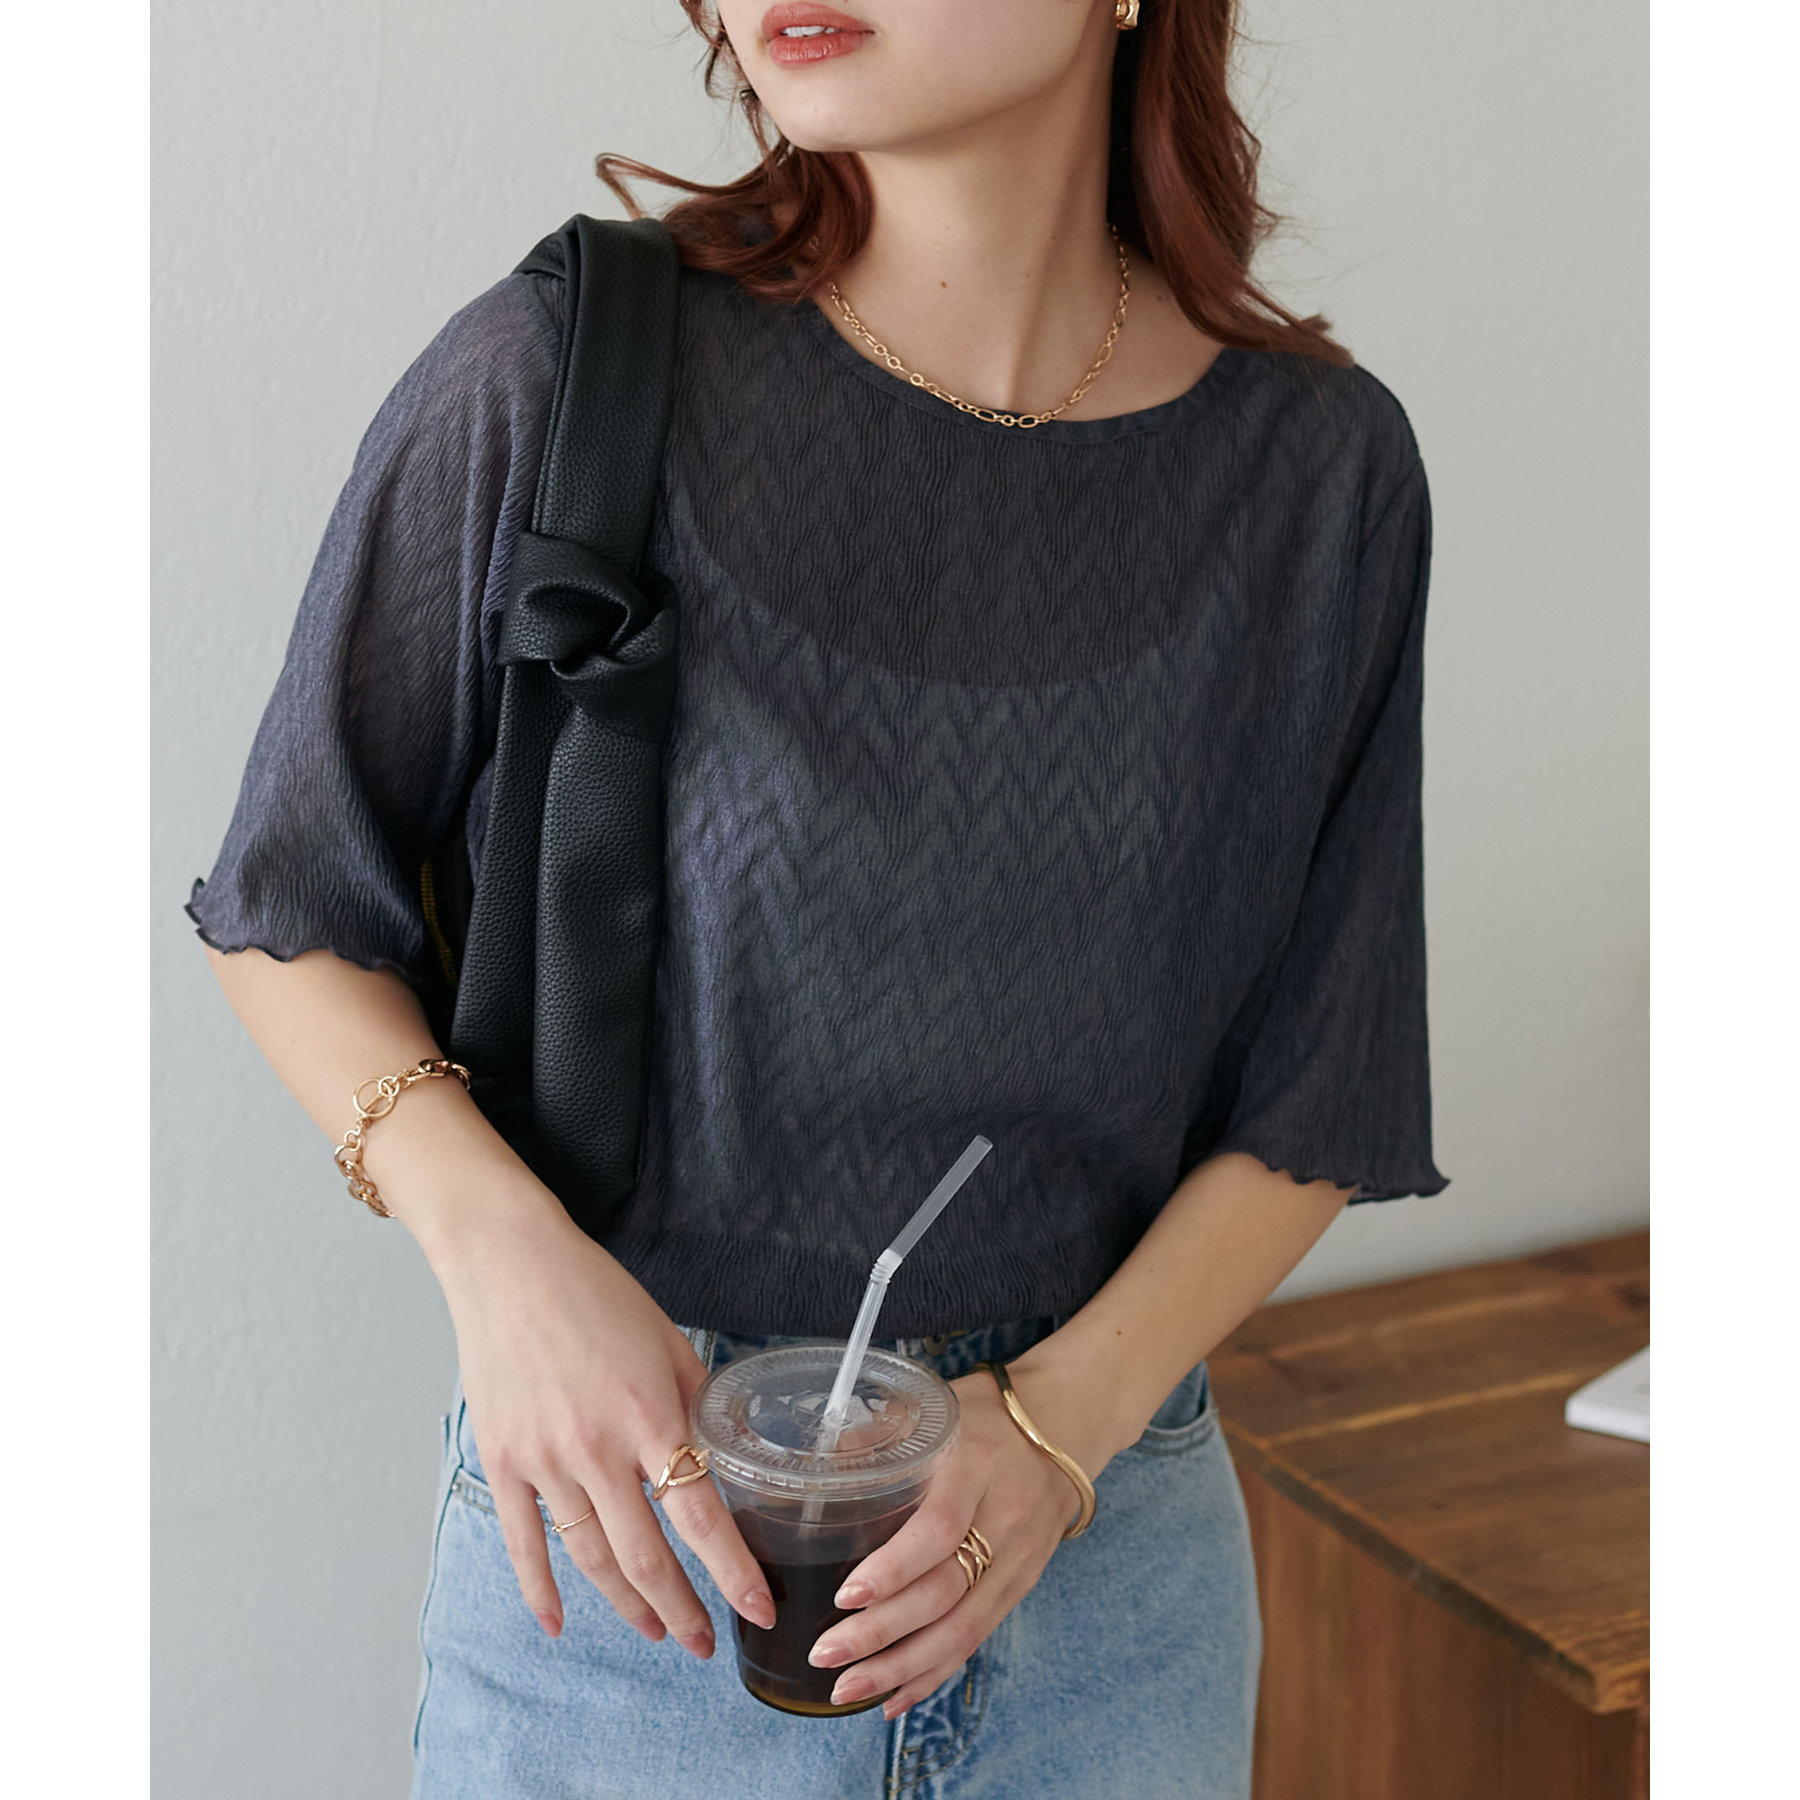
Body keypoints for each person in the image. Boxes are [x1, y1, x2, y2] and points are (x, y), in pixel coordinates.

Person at [186, 1, 1449, 1794]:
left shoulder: (1320, 475)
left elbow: (1328, 1079)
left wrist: (1057, 1433)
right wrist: (503, 1257)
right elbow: (293, 899)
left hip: (1103, 1582)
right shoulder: (569, 376)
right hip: (646, 1555)